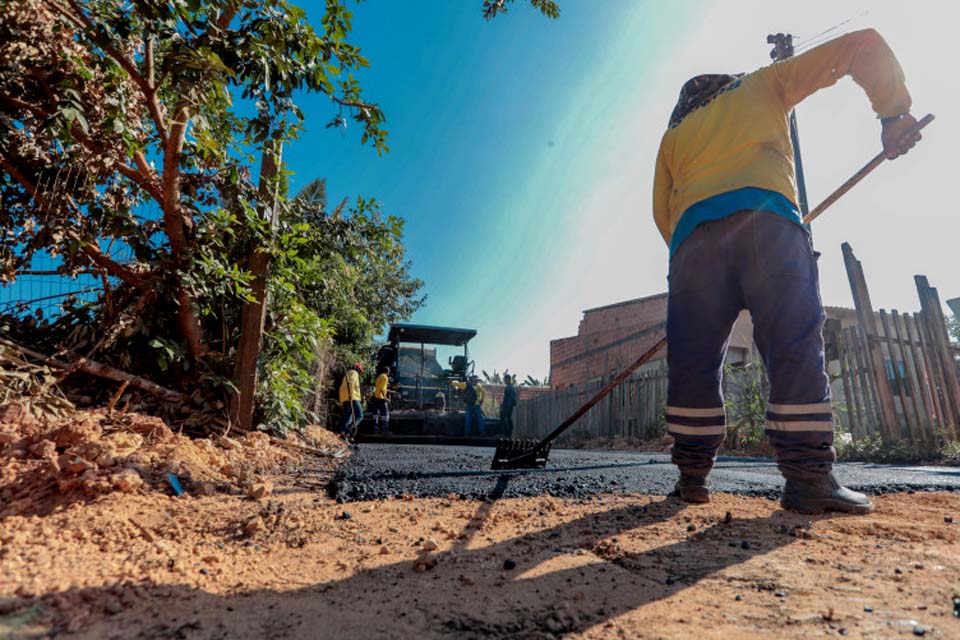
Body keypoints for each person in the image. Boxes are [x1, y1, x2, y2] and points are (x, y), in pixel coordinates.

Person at [652, 29, 920, 514]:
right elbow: (861, 44)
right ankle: (809, 479)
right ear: (724, 83)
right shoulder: (759, 84)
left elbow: (661, 213)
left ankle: (692, 478)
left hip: (692, 244)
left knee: (693, 361)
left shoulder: (674, 136)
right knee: (793, 344)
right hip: (768, 225)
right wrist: (894, 114)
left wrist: (691, 259)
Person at [339, 362, 364, 440]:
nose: (359, 373)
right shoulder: (354, 373)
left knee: (347, 416)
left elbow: (341, 388)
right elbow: (351, 383)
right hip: (353, 397)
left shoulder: (346, 374)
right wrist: (351, 394)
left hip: (344, 398)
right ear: (357, 369)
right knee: (360, 415)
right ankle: (349, 429)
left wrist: (341, 401)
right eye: (360, 370)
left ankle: (344, 433)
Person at [370, 367, 391, 434]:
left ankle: (375, 428)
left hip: (376, 397)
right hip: (381, 398)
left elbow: (379, 387)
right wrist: (385, 398)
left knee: (376, 414)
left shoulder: (379, 377)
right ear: (387, 371)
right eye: (389, 371)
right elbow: (382, 389)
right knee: (385, 414)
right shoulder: (385, 377)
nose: (389, 373)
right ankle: (385, 430)